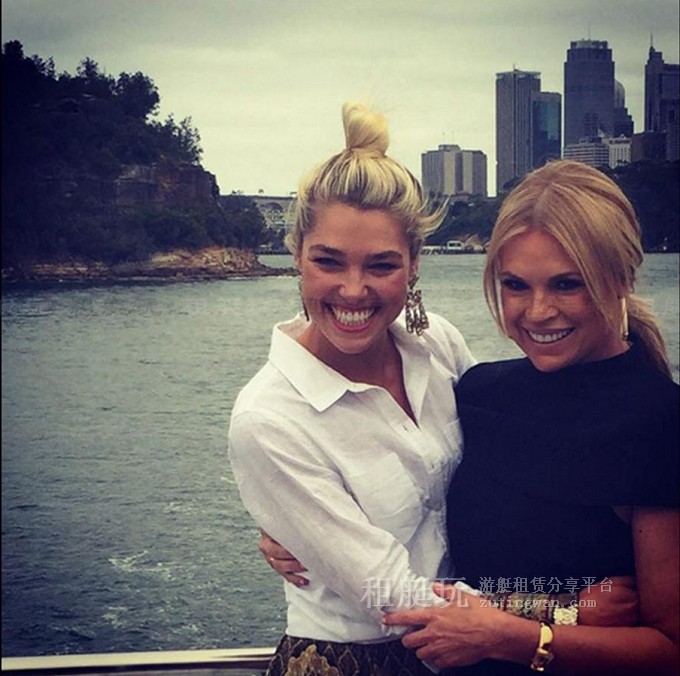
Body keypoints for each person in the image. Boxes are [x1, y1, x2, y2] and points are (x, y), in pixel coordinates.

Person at [381, 160, 679, 674]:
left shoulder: (662, 423)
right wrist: (296, 534)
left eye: (567, 284)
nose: (538, 311)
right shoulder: (477, 393)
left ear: (622, 278)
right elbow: (406, 491)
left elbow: (670, 649)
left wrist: (513, 638)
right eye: (516, 285)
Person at [228, 101, 477, 675]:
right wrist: (554, 615)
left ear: (414, 264)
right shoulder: (269, 419)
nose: (353, 290)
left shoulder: (438, 344)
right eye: (329, 262)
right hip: (354, 659)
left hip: (474, 645)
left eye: (382, 266)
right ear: (296, 256)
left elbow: (507, 461)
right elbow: (388, 592)